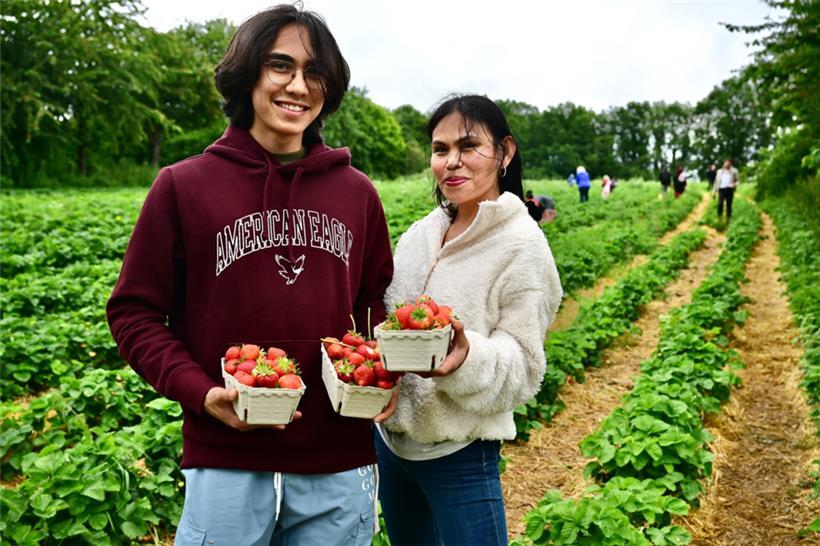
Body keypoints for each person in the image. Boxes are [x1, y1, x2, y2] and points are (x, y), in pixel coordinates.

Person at [106, 6, 394, 545]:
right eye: (279, 66)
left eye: (315, 73)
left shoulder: (357, 193)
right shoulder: (183, 186)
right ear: (247, 74)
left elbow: (372, 304)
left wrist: (382, 372)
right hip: (226, 454)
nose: (298, 86)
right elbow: (134, 313)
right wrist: (199, 390)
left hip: (338, 456)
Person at [374, 94, 563, 546]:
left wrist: (465, 358)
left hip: (459, 454)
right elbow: (389, 323)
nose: (452, 163)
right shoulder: (422, 233)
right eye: (441, 150)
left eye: (468, 146)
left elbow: (525, 368)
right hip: (392, 446)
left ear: (505, 152)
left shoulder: (522, 246)